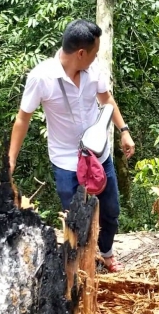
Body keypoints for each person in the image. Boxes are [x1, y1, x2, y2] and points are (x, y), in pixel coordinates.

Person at [8, 19, 135, 272]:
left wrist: (124, 130)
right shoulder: (41, 78)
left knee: (110, 211)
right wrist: (10, 159)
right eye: (94, 52)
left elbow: (106, 98)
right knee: (76, 218)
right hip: (66, 161)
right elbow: (23, 118)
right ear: (80, 53)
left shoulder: (93, 69)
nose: (96, 57)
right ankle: (79, 264)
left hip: (99, 154)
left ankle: (107, 253)